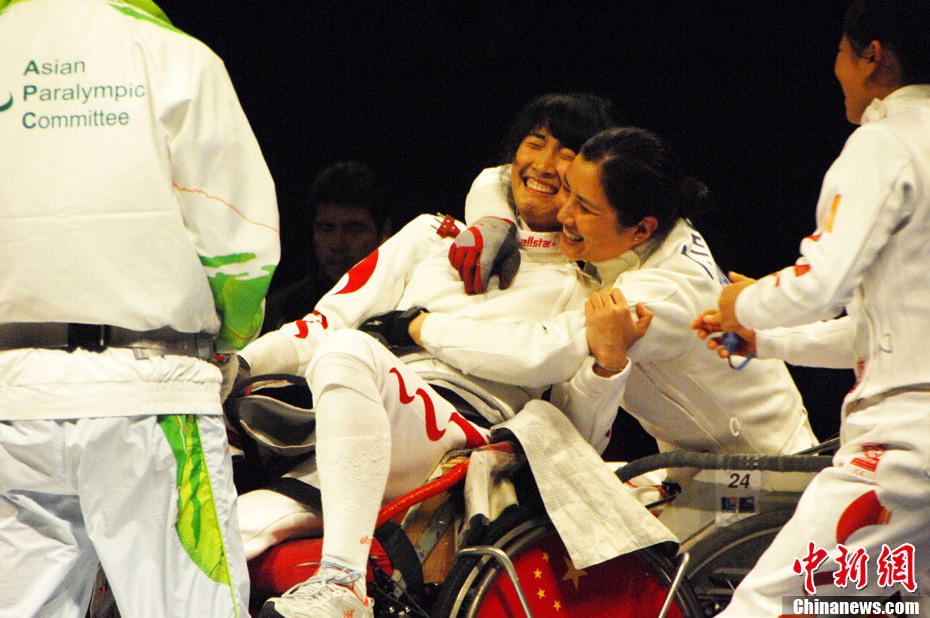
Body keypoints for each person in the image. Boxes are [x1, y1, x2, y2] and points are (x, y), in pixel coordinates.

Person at [234, 93, 650, 617]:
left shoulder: (591, 285)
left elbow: (577, 437)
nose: (544, 165)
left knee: (348, 350)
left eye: (566, 153)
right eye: (535, 142)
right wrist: (238, 367)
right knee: (226, 532)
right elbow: (323, 322)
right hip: (359, 417)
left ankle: (342, 585)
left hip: (464, 438)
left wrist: (608, 367)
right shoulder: (432, 235)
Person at [0, 1, 280, 616]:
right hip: (150, 397)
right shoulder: (175, 58)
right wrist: (228, 342)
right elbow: (240, 247)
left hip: (12, 399)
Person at [693, 0, 930, 613]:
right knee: (889, 605)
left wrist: (742, 303)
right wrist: (767, 341)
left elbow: (820, 284)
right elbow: (880, 332)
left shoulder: (885, 143)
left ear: (872, 56)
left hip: (905, 453)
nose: (836, 69)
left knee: (767, 604)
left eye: (841, 53)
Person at [417, 126, 818, 457]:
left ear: (640, 229)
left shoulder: (662, 295)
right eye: (567, 190)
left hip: (762, 469)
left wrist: (421, 328)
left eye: (584, 207)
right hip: (689, 468)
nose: (563, 213)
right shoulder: (644, 209)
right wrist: (493, 220)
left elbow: (542, 353)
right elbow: (499, 178)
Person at [262, 160, 392, 334]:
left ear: (384, 233)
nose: (338, 244)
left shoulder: (405, 302)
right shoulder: (281, 311)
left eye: (354, 230)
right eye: (326, 229)